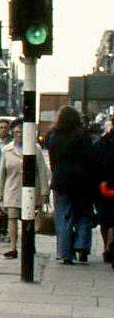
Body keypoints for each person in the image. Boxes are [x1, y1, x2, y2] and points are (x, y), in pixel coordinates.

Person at [45, 105, 96, 264]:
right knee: (83, 213)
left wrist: (57, 172)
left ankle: (65, 253)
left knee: (63, 216)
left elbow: (52, 160)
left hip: (61, 181)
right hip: (82, 181)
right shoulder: (83, 134)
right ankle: (81, 246)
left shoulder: (53, 135)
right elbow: (90, 159)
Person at [0, 121, 50, 259]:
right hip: (12, 189)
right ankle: (13, 248)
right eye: (16, 132)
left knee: (29, 220)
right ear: (12, 133)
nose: (19, 135)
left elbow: (42, 171)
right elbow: (2, 173)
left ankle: (29, 245)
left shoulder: (35, 148)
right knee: (12, 218)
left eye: (21, 132)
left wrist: (45, 192)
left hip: (31, 191)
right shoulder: (7, 150)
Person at [92, 116, 114, 265]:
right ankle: (110, 243)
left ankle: (107, 243)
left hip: (102, 186)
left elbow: (94, 164)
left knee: (104, 219)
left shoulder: (102, 142)